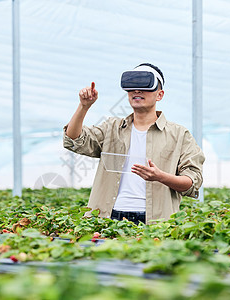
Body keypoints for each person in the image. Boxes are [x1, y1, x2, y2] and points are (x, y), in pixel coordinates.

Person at [63, 63, 204, 224]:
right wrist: (83, 107)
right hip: (108, 218)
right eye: (132, 86)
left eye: (144, 85)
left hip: (156, 223)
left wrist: (161, 177)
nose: (137, 91)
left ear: (159, 95)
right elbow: (74, 140)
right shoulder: (112, 128)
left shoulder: (179, 135)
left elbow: (192, 182)